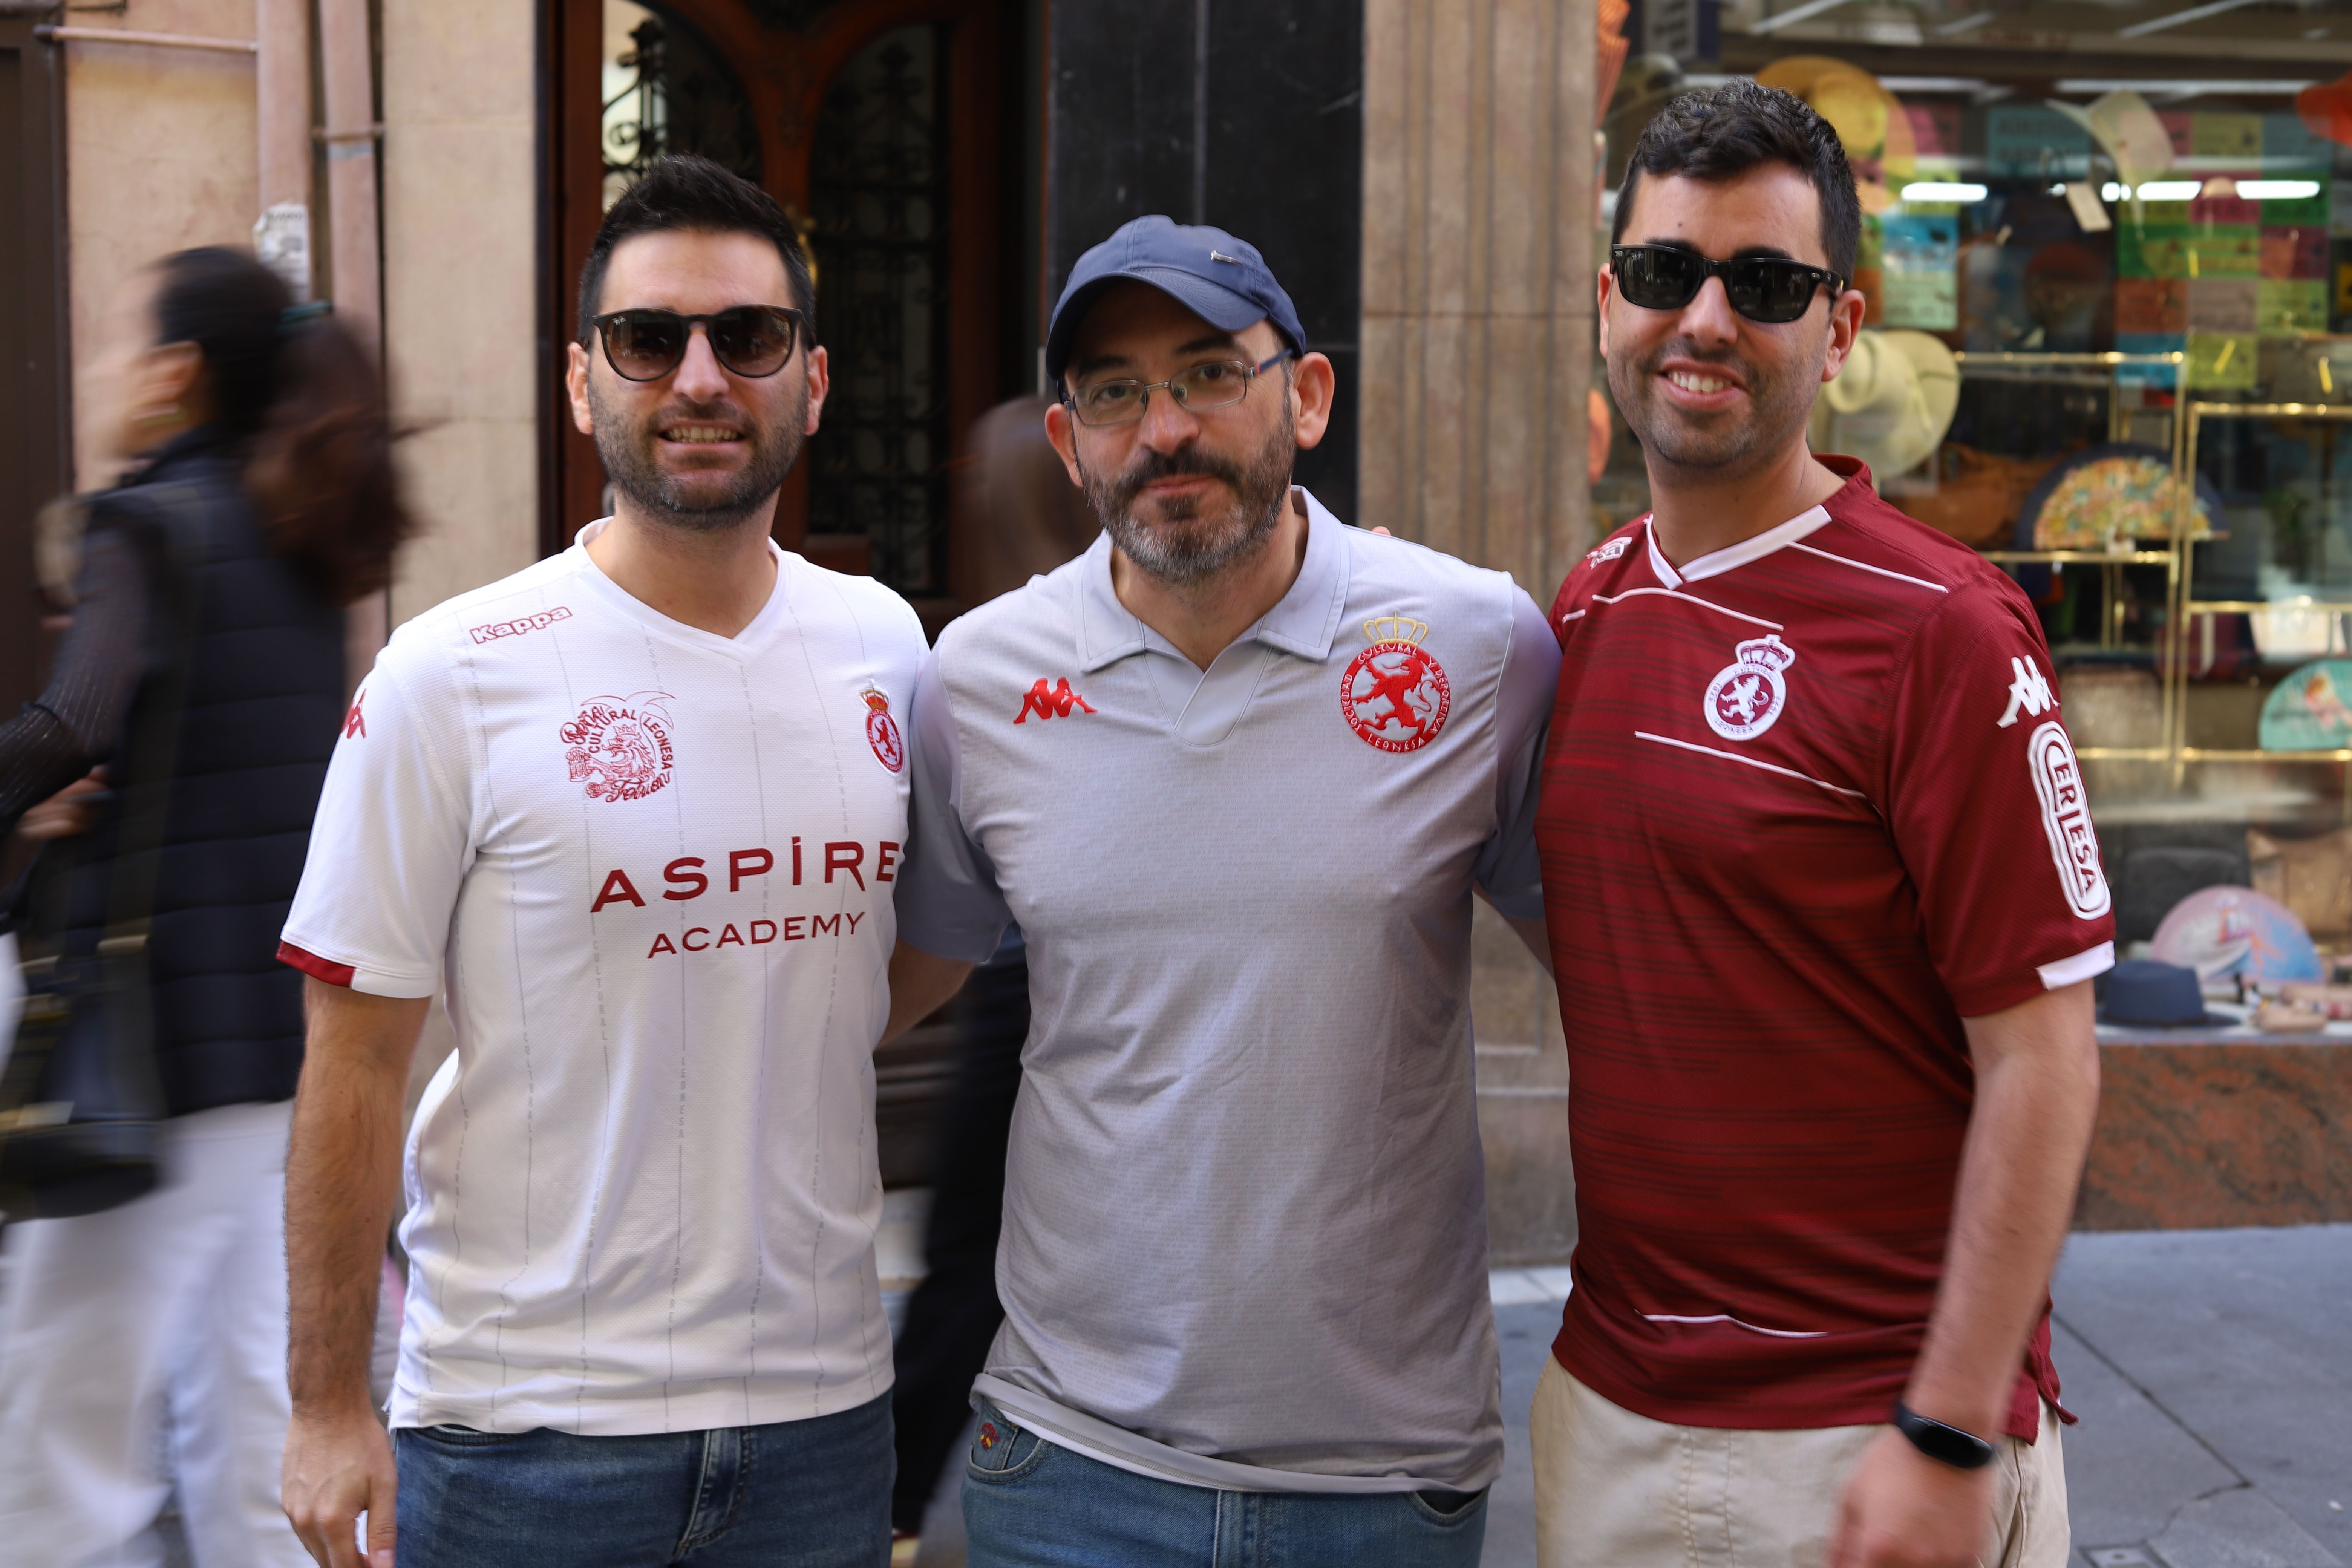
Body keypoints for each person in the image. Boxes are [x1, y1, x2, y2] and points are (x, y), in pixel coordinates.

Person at [274, 155, 924, 1568]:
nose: (700, 377)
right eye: (649, 340)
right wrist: (327, 1403)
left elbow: (893, 953)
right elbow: (356, 1062)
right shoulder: (452, 673)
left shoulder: (889, 646)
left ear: (812, 383)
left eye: (746, 338)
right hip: (526, 1439)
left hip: (821, 1423)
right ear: (584, 384)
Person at [885, 215, 1559, 1567]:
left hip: (1383, 1481)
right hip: (1068, 1466)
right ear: (1069, 440)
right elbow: (881, 991)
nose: (1164, 430)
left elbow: (1622, 983)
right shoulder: (977, 680)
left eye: (1207, 374)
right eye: (1116, 392)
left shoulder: (1479, 646)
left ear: (1305, 397)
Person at [1531, 81, 2107, 1568]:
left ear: (1841, 330)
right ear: (1612, 303)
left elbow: (2043, 1058)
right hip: (1612, 1409)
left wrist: (1948, 1425)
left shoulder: (1950, 628)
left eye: (1768, 284)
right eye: (1668, 273)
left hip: (1865, 1434)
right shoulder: (1588, 605)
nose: (1707, 319)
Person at [0, 246, 412, 1567]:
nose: (107, 370)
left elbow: (76, 722)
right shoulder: (301, 528)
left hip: (152, 1051)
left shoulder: (149, 524)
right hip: (278, 1043)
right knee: (249, 1434)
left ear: (176, 377)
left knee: (57, 1438)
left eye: (122, 344)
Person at [888, 397, 1096, 1563]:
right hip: (1024, 979)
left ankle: (900, 1503)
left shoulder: (1020, 650)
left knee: (969, 1250)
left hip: (1025, 988)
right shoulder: (1001, 652)